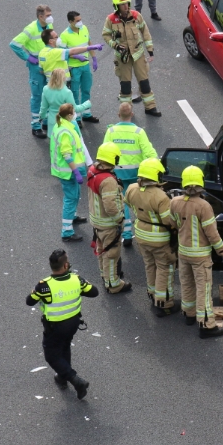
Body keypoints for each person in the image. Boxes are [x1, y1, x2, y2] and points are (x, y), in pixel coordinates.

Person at [26, 249, 100, 399]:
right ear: (66, 265)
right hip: (73, 324)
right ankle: (62, 377)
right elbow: (94, 292)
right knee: (65, 347)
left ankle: (74, 379)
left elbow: (29, 301)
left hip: (54, 328)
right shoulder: (77, 280)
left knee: (51, 356)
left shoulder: (44, 286)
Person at [171, 166, 223, 338]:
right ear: (200, 182)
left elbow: (173, 223)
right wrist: (222, 251)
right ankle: (207, 325)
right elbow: (212, 233)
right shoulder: (204, 206)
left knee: (187, 284)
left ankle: (189, 314)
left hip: (183, 252)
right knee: (203, 289)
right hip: (200, 256)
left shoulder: (174, 202)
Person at [125, 158, 176, 317]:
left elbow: (128, 203)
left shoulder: (132, 189)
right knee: (164, 268)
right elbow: (168, 221)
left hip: (140, 234)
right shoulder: (161, 197)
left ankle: (152, 292)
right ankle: (163, 303)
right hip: (158, 238)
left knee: (149, 264)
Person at [105, 102, 158, 247]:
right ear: (132, 114)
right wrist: (158, 166)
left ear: (118, 115)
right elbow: (149, 152)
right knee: (140, 201)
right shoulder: (138, 132)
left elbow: (105, 153)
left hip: (118, 174)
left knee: (124, 204)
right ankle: (145, 232)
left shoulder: (111, 132)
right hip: (136, 174)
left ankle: (127, 235)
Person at [103, 0, 161, 116]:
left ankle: (150, 108)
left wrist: (150, 49)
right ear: (116, 6)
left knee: (144, 83)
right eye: (122, 4)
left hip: (138, 54)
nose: (125, 6)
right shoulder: (111, 20)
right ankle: (127, 112)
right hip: (122, 58)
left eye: (126, 3)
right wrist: (115, 45)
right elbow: (106, 35)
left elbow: (145, 32)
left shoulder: (136, 16)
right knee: (125, 86)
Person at [87, 142, 132, 294]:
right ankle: (113, 284)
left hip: (97, 221)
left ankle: (105, 275)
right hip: (108, 224)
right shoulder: (108, 181)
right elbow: (111, 206)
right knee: (111, 254)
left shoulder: (93, 171)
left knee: (101, 249)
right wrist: (120, 219)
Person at [10, 5, 54, 137]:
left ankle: (46, 120)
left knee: (48, 93)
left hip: (47, 64)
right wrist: (28, 57)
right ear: (40, 17)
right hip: (36, 66)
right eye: (47, 15)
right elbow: (14, 44)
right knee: (37, 96)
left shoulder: (48, 26)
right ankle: (36, 126)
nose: (50, 17)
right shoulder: (31, 29)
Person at [49, 103, 87, 242]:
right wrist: (76, 171)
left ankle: (73, 216)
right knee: (70, 198)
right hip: (68, 172)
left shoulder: (61, 126)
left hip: (66, 171)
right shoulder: (65, 131)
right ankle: (67, 230)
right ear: (69, 115)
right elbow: (67, 155)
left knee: (75, 195)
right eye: (73, 113)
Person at [59, 11, 99, 123]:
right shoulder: (64, 35)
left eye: (80, 19)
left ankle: (86, 114)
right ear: (70, 22)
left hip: (85, 65)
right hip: (74, 68)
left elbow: (89, 43)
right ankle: (76, 117)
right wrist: (76, 56)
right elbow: (61, 52)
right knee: (75, 93)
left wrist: (94, 58)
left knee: (86, 89)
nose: (80, 22)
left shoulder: (84, 28)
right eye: (77, 21)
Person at [41, 68, 88, 134]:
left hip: (52, 123)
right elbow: (75, 109)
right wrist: (87, 104)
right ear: (63, 79)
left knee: (53, 143)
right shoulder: (67, 92)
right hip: (65, 123)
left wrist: (42, 116)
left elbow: (44, 107)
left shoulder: (46, 89)